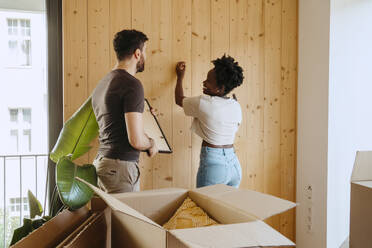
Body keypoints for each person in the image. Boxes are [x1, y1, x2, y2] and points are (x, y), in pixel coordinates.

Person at [92, 29, 158, 193]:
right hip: (120, 169)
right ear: (137, 53)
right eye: (145, 51)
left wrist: (147, 119)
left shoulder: (103, 83)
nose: (145, 56)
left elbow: (116, 124)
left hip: (102, 164)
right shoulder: (132, 84)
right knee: (124, 219)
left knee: (108, 219)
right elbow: (135, 140)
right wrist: (151, 143)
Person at [175, 55, 244, 188]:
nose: (204, 82)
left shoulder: (204, 103)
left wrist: (180, 77)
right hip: (234, 165)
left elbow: (179, 99)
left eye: (209, 81)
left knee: (203, 208)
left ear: (220, 88)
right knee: (225, 208)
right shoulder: (236, 105)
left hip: (214, 166)